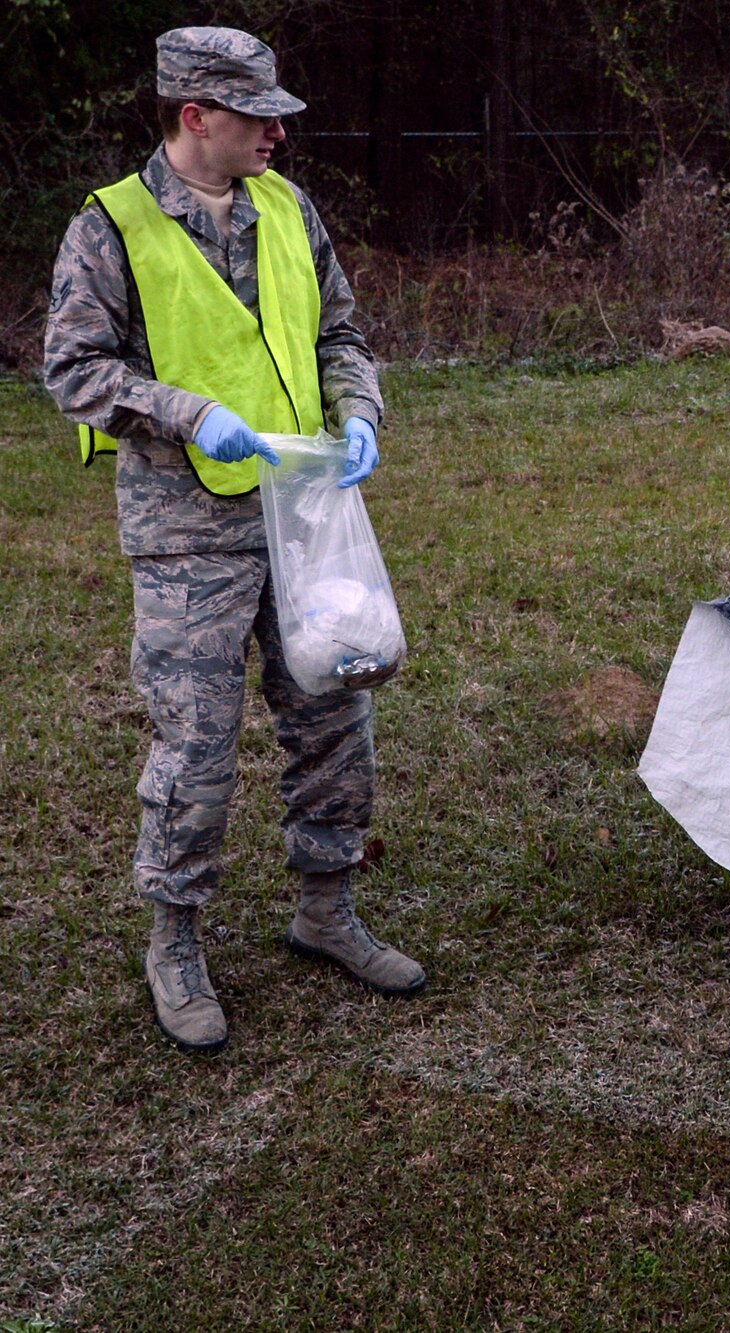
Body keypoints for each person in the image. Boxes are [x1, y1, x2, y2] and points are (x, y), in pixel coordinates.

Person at [43, 27, 424, 1055]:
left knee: (336, 713)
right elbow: (72, 368)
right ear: (193, 116)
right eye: (257, 114)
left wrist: (359, 411)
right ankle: (175, 940)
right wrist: (182, 409)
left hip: (304, 515)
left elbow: (339, 332)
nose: (277, 131)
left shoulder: (288, 209)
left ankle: (325, 908)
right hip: (185, 533)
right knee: (196, 747)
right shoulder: (109, 229)